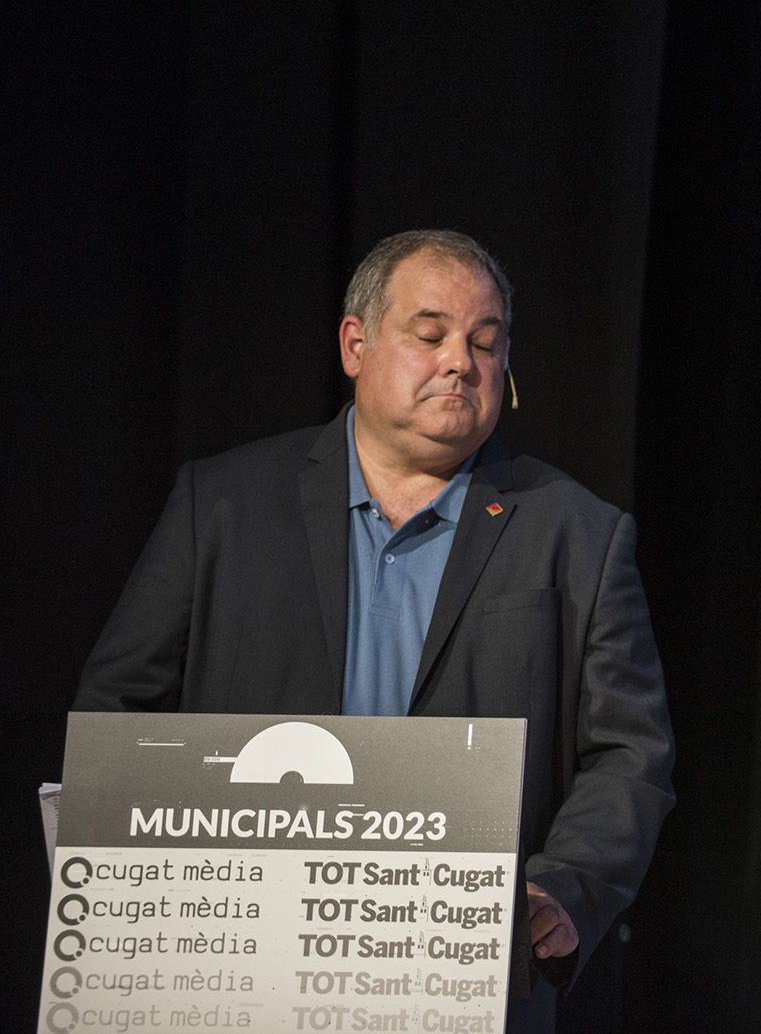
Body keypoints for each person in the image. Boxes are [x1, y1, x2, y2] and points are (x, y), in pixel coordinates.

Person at [75, 229, 675, 1028]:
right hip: (238, 967)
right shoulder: (222, 505)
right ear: (356, 344)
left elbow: (632, 752)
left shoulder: (577, 534)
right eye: (429, 335)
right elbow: (117, 713)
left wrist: (564, 885)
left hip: (463, 974)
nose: (460, 361)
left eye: (485, 342)